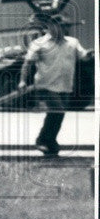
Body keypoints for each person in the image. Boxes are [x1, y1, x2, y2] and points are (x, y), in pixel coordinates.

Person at [19, 13, 92, 155]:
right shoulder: (39, 43)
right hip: (45, 85)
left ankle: (50, 142)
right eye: (62, 26)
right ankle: (42, 140)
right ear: (51, 27)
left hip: (65, 85)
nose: (64, 29)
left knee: (58, 114)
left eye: (66, 27)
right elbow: (27, 63)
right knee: (57, 111)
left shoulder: (73, 42)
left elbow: (83, 57)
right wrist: (22, 81)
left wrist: (89, 55)